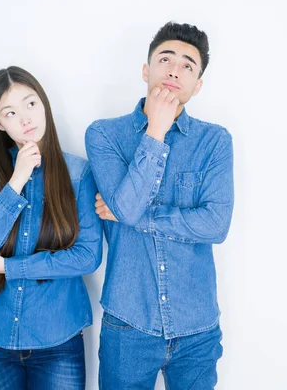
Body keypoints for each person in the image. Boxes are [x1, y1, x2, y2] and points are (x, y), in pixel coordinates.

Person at [85, 22, 234, 389]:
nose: (174, 70)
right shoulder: (104, 135)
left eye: (188, 66)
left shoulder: (215, 141)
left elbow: (216, 225)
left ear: (197, 85)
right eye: (165, 59)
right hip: (129, 324)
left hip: (197, 327)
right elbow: (127, 210)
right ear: (146, 69)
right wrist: (156, 131)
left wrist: (129, 213)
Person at [0, 66, 102, 389]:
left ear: (43, 104)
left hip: (57, 341)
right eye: (10, 112)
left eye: (30, 104)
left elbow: (87, 256)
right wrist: (15, 182)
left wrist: (10, 268)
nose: (25, 119)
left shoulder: (78, 174)